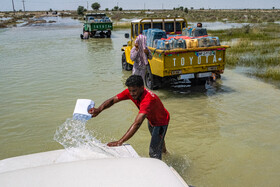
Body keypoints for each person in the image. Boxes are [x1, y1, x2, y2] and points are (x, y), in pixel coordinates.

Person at [88, 75, 169, 160]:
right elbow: (113, 100)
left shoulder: (147, 101)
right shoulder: (131, 91)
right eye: (130, 91)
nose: (131, 94)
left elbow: (137, 123)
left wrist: (120, 142)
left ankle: (160, 168)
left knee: (153, 153)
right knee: (158, 141)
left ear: (142, 88)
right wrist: (99, 110)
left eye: (134, 91)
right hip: (151, 118)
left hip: (161, 122)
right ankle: (166, 154)